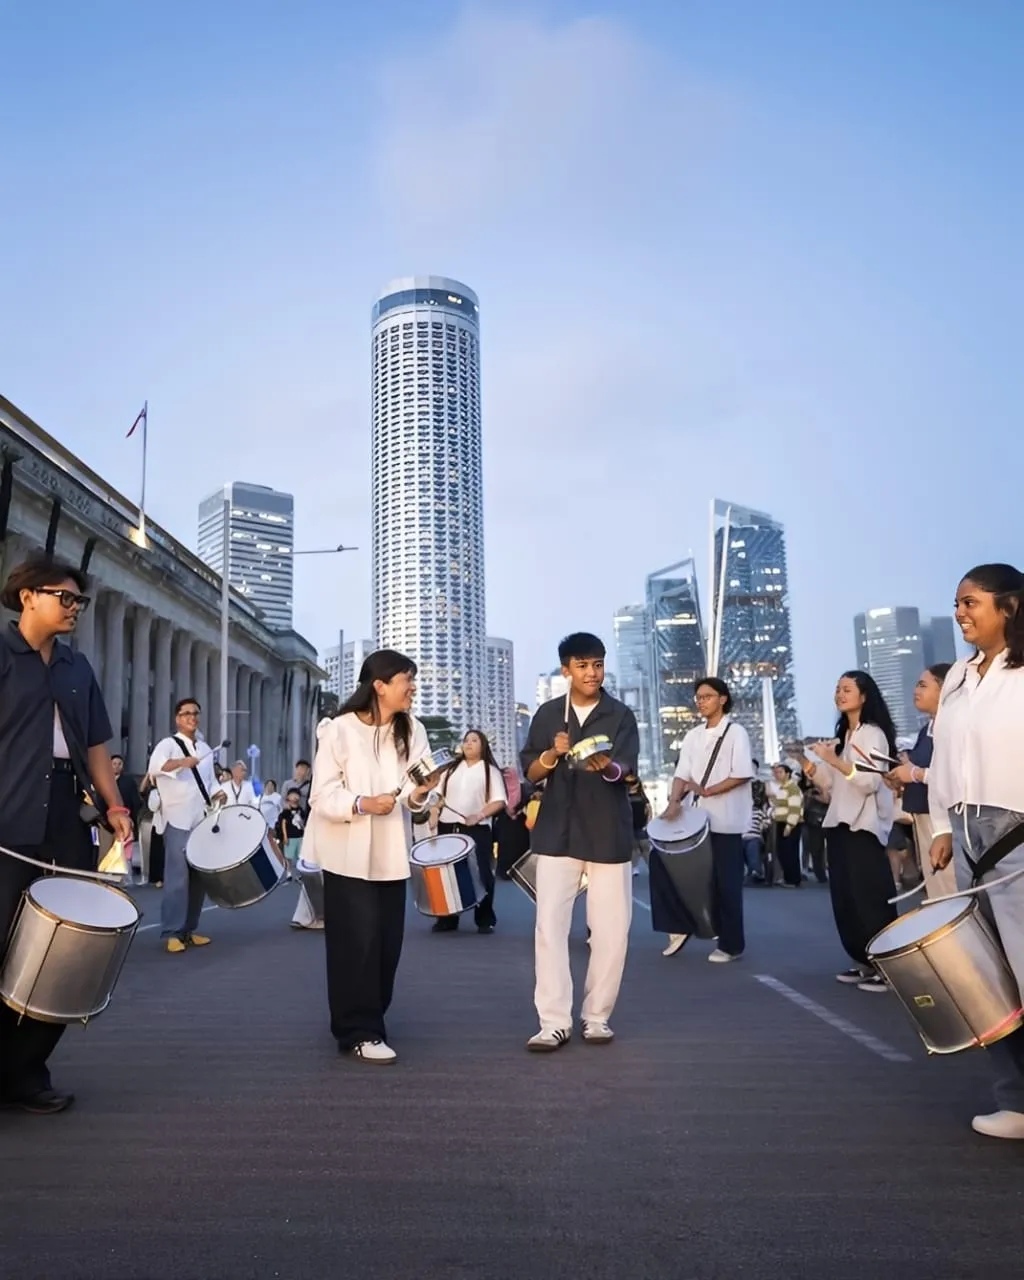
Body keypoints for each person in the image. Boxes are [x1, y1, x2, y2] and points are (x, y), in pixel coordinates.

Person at [0, 552, 133, 1114]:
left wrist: (116, 804)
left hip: (65, 816)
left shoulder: (79, 667)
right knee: (5, 947)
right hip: (7, 813)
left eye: (80, 599)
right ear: (28, 596)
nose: (74, 607)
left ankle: (27, 1075)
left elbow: (98, 745)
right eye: (64, 596)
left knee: (65, 947)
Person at [926, 564, 1024, 1140]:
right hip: (965, 828)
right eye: (957, 604)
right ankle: (1014, 1101)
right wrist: (941, 824)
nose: (960, 613)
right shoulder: (961, 676)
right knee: (991, 977)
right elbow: (944, 757)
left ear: (1008, 607)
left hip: (1016, 824)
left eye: (971, 602)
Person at [301, 650, 432, 1065]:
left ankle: (370, 1017)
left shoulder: (414, 730)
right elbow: (321, 795)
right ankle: (358, 1030)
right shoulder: (337, 730)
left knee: (386, 945)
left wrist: (422, 793)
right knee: (354, 943)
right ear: (379, 685)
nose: (411, 687)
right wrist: (360, 803)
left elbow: (416, 795)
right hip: (346, 853)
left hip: (392, 854)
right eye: (405, 680)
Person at [521, 633, 639, 1051]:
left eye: (599, 664)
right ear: (566, 669)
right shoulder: (548, 714)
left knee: (611, 932)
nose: (593, 673)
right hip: (557, 832)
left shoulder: (620, 714)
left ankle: (596, 1016)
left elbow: (626, 771)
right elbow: (531, 772)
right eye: (584, 665)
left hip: (608, 831)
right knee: (549, 928)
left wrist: (606, 765)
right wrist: (553, 755)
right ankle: (553, 1021)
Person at [800, 672, 897, 993]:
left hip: (863, 828)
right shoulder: (845, 735)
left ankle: (886, 968)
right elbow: (830, 784)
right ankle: (863, 961)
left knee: (870, 899)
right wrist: (809, 764)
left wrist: (833, 760)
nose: (839, 694)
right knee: (846, 901)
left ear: (864, 696)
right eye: (837, 689)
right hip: (839, 824)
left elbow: (869, 781)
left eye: (847, 689)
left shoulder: (872, 734)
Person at [656, 677, 755, 962]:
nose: (701, 701)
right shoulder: (693, 736)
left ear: (723, 699)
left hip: (726, 820)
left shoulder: (736, 732)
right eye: (698, 697)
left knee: (727, 884)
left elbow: (742, 773)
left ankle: (731, 944)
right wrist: (674, 803)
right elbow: (681, 774)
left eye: (707, 696)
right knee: (682, 874)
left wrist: (708, 790)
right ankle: (684, 925)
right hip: (694, 819)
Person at [148, 698, 226, 953]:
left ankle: (189, 930)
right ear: (177, 718)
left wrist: (219, 793)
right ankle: (171, 932)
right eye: (186, 713)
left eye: (196, 713)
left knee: (198, 878)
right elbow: (155, 768)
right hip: (177, 819)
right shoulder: (167, 745)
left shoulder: (204, 747)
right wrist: (182, 762)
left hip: (200, 820)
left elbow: (210, 781)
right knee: (177, 878)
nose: (192, 717)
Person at [883, 663, 953, 898]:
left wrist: (915, 774)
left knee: (948, 888)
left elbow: (954, 775)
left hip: (943, 821)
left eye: (923, 685)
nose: (916, 690)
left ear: (945, 689)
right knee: (935, 889)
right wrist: (901, 780)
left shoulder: (952, 728)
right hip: (922, 818)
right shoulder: (926, 731)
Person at [430, 730, 507, 934]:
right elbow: (437, 796)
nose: (469, 744)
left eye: (474, 740)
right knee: (446, 873)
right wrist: (434, 811)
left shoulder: (490, 771)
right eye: (466, 740)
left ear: (483, 745)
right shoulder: (450, 770)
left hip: (477, 828)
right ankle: (447, 918)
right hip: (448, 825)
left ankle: (484, 918)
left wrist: (479, 815)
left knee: (482, 872)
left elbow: (499, 801)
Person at [769, 764, 804, 888]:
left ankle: (792, 879)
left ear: (787, 774)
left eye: (780, 772)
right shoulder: (783, 788)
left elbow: (795, 808)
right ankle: (790, 878)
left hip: (790, 823)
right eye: (776, 772)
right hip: (781, 822)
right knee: (784, 851)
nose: (777, 774)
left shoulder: (792, 788)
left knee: (789, 852)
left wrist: (789, 825)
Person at [277, 788, 306, 877]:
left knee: (300, 855)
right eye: (292, 795)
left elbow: (303, 821)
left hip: (300, 836)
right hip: (290, 836)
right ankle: (289, 872)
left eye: (296, 795)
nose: (294, 797)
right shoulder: (286, 811)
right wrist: (285, 836)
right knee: (288, 855)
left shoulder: (301, 810)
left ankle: (299, 872)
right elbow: (283, 824)